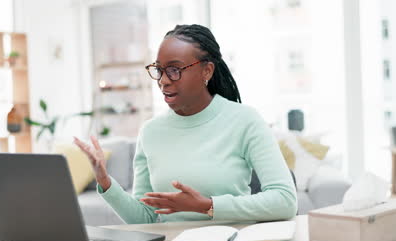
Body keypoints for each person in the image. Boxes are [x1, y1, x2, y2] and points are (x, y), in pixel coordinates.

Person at [74, 24, 297, 224]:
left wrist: (207, 206)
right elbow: (146, 217)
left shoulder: (245, 120)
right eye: (159, 70)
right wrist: (105, 182)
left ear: (206, 71)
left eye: (174, 70)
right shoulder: (151, 132)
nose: (163, 80)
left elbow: (285, 200)